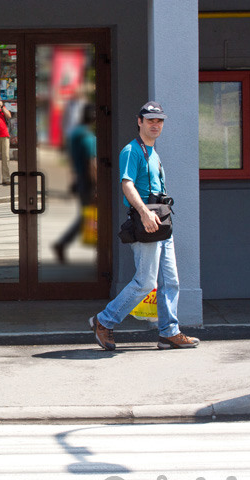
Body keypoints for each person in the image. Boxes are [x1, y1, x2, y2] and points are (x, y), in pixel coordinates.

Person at [89, 102, 199, 351]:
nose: (155, 124)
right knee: (146, 282)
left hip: (162, 224)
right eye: (150, 120)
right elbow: (127, 185)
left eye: (159, 121)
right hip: (146, 223)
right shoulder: (132, 151)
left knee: (171, 281)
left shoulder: (154, 152)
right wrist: (144, 213)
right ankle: (104, 321)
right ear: (139, 121)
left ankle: (169, 332)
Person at [53, 103, 97, 263]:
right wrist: (97, 185)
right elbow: (92, 163)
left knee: (87, 217)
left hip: (80, 179)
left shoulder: (74, 134)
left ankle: (63, 244)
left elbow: (72, 159)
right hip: (88, 182)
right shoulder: (87, 137)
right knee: (92, 217)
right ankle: (63, 244)